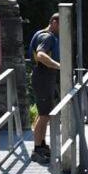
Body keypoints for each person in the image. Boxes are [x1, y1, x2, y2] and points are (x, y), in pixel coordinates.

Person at [29, 13, 61, 163]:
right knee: (43, 115)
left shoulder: (43, 34)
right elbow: (41, 55)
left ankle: (41, 144)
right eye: (62, 25)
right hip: (42, 78)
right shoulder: (47, 37)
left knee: (45, 114)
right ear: (54, 22)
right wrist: (60, 66)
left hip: (45, 78)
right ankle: (37, 149)